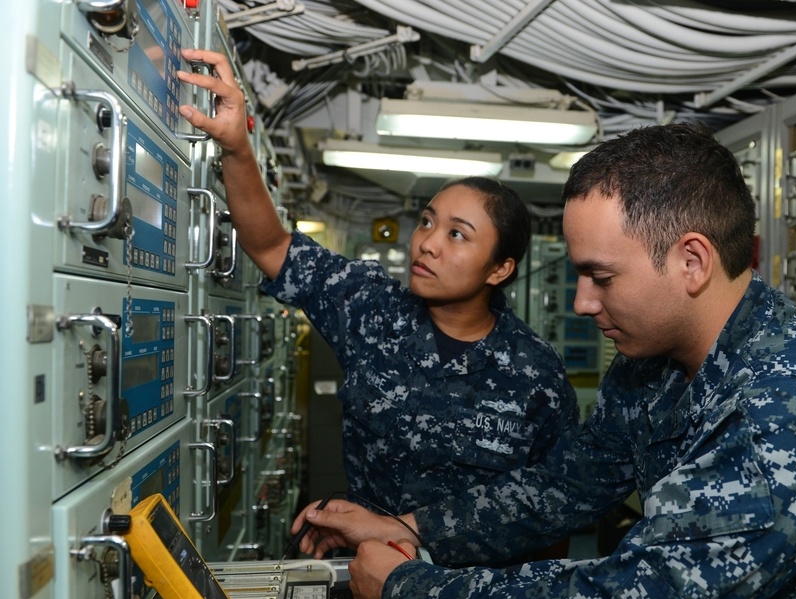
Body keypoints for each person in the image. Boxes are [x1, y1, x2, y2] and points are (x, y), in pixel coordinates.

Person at [287, 122, 796, 599]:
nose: (583, 303)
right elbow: (568, 485)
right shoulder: (650, 362)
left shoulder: (791, 410)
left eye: (601, 277)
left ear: (692, 262)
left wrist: (408, 591)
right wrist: (411, 528)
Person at [176, 49, 579, 565]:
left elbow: (554, 513)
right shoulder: (372, 309)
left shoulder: (535, 373)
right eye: (429, 222)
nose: (427, 243)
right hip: (366, 577)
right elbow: (273, 246)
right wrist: (236, 147)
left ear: (499, 269)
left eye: (457, 235)